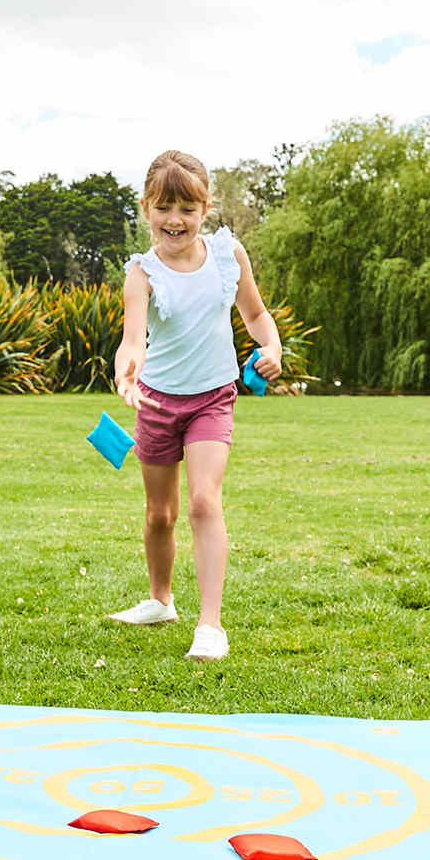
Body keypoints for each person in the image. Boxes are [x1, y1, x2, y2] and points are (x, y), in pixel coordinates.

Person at [108, 149, 282, 661]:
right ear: (146, 208)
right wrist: (127, 369)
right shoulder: (142, 273)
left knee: (205, 501)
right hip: (157, 401)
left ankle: (211, 625)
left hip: (213, 397)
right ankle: (161, 600)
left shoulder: (230, 256)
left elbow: (256, 314)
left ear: (205, 209)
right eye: (164, 207)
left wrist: (271, 348)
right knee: (160, 514)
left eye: (187, 208)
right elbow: (133, 340)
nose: (175, 220)